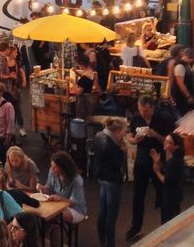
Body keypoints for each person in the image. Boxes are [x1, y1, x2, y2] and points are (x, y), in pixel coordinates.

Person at [125, 95, 175, 241]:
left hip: (158, 159)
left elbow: (170, 139)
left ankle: (165, 226)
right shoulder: (136, 118)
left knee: (163, 194)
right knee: (138, 195)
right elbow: (130, 136)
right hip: (141, 160)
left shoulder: (163, 118)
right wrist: (135, 140)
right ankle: (135, 226)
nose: (143, 113)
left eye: (146, 111)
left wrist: (155, 135)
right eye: (141, 110)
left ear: (153, 108)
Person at [93, 117, 127, 247]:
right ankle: (110, 244)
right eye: (124, 131)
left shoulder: (99, 135)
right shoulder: (111, 145)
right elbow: (117, 164)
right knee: (111, 217)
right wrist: (122, 152)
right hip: (112, 180)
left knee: (102, 211)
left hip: (101, 178)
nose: (125, 134)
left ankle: (102, 241)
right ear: (117, 131)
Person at [37, 151, 87, 226]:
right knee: (43, 212)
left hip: (76, 209)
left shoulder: (76, 180)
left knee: (53, 216)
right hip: (58, 205)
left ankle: (46, 235)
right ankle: (46, 235)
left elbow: (74, 202)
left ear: (63, 168)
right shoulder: (52, 171)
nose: (52, 169)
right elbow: (49, 189)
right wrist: (43, 188)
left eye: (55, 167)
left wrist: (60, 198)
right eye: (51, 166)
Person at [150, 133, 185, 224]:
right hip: (175, 193)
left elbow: (166, 180)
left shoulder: (174, 161)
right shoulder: (175, 158)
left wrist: (157, 172)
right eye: (165, 141)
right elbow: (168, 170)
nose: (165, 143)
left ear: (176, 146)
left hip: (171, 194)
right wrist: (157, 162)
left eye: (169, 142)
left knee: (167, 221)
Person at [71, 52, 98, 119]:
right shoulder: (90, 71)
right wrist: (76, 72)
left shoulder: (85, 77)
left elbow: (79, 92)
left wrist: (73, 82)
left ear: (81, 64)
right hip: (88, 98)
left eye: (78, 64)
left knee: (82, 119)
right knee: (87, 118)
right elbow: (85, 80)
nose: (77, 66)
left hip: (83, 101)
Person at [171, 47, 194, 115]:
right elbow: (180, 82)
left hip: (185, 97)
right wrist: (188, 96)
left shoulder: (186, 65)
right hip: (181, 97)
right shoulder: (180, 66)